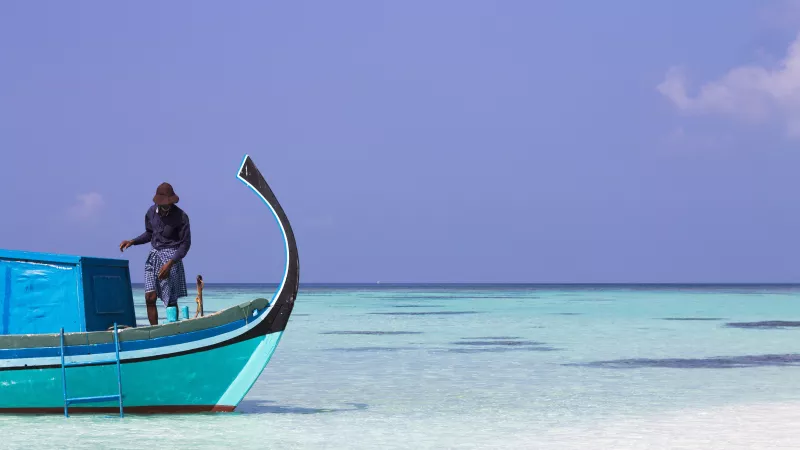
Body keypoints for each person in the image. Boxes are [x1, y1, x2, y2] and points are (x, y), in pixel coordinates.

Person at [119, 182, 191, 325]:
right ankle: (154, 331)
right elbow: (149, 234)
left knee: (170, 300)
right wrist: (132, 241)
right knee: (149, 297)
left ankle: (173, 329)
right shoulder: (151, 212)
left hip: (172, 258)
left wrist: (170, 264)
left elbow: (185, 245)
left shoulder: (181, 217)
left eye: (168, 205)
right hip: (154, 256)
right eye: (163, 205)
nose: (166, 208)